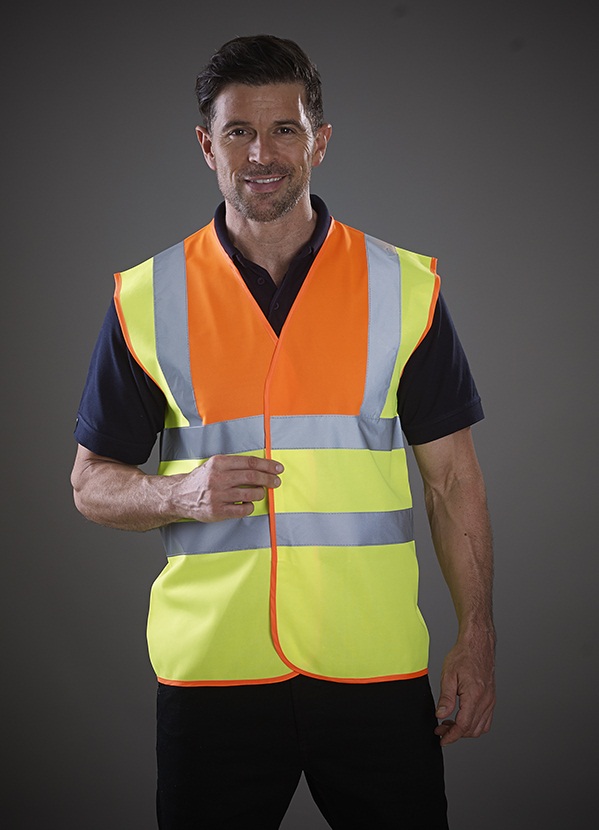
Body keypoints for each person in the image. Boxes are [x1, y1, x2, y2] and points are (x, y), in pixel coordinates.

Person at [71, 34, 495, 830]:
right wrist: (180, 494)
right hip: (213, 675)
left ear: (319, 141)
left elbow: (452, 480)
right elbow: (90, 484)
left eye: (284, 130)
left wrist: (476, 635)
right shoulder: (146, 297)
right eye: (238, 132)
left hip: (371, 668)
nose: (261, 154)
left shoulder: (402, 288)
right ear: (207, 146)